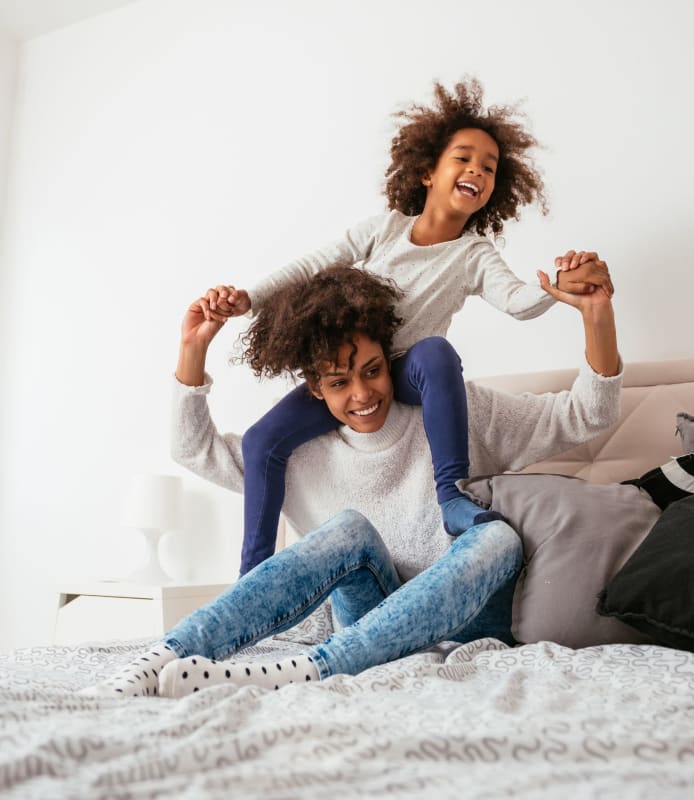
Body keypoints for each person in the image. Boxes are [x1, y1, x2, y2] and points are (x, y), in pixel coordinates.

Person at [91, 259, 621, 698]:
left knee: (499, 536)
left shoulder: (456, 412)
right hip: (368, 623)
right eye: (340, 383)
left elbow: (583, 417)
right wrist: (193, 350)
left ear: (390, 361)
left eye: (372, 370)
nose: (363, 395)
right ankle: (164, 657)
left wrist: (597, 316)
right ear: (315, 390)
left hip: (473, 619)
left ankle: (309, 671)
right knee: (348, 528)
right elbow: (194, 449)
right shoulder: (298, 455)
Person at [202, 77, 614, 577]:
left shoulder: (473, 254)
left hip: (405, 375)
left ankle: (451, 495)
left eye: (489, 167)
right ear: (426, 171)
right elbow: (313, 264)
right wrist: (248, 299)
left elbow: (517, 301)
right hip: (355, 370)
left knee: (436, 352)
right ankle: (255, 574)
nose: (476, 171)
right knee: (260, 441)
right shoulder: (384, 230)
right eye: (463, 158)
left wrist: (554, 288)